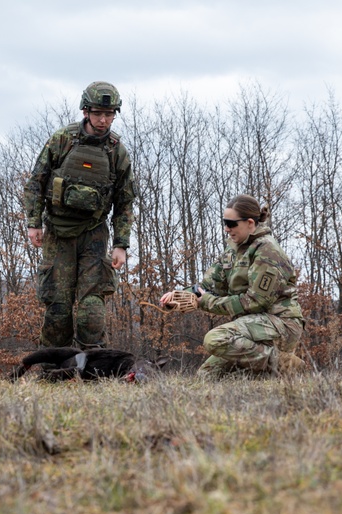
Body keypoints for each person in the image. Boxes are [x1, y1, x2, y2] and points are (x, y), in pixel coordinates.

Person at [22, 81, 136, 349]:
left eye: (109, 115)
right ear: (86, 111)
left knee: (91, 309)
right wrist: (33, 223)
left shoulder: (116, 151)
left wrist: (121, 244)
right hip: (58, 233)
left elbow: (124, 200)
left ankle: (93, 368)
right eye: (98, 113)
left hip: (94, 234)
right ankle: (55, 371)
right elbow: (36, 182)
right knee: (58, 309)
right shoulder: (62, 140)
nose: (103, 120)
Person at [160, 194, 306, 379]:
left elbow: (254, 302)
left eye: (231, 223)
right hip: (250, 329)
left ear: (250, 223)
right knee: (206, 377)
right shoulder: (233, 250)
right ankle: (264, 373)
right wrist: (182, 296)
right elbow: (208, 286)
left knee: (215, 339)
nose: (226, 229)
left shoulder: (267, 251)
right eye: (224, 222)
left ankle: (286, 365)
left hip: (280, 324)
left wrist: (204, 302)